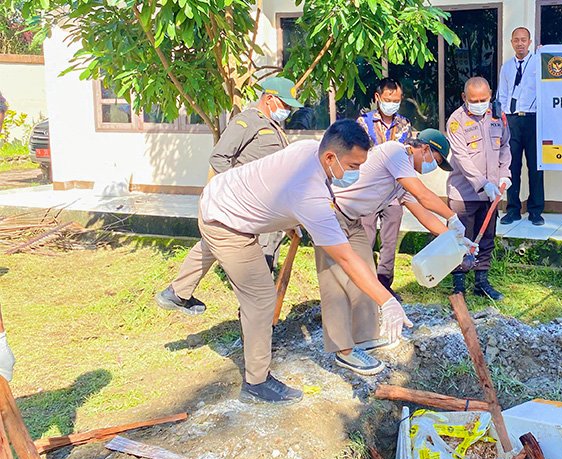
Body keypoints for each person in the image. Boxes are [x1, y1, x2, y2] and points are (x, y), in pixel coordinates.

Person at [181, 119, 412, 404]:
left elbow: (276, 184)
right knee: (261, 299)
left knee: (211, 241)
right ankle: (256, 382)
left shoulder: (308, 149)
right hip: (227, 222)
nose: (357, 173)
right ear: (331, 157)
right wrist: (386, 300)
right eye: (353, 166)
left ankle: (177, 291)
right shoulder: (311, 198)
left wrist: (290, 219)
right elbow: (346, 258)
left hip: (222, 195)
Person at [322, 130, 471, 375]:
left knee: (366, 275)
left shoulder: (402, 179)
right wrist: (453, 216)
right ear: (424, 148)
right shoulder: (395, 152)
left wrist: (457, 240)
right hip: (331, 214)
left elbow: (423, 213)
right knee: (336, 283)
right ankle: (344, 351)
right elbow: (424, 196)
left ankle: (363, 337)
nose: (433, 167)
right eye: (435, 160)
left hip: (353, 220)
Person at [155, 77, 301, 315]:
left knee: (214, 243)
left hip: (262, 203)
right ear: (269, 99)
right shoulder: (246, 121)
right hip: (250, 205)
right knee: (260, 259)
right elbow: (219, 157)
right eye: (285, 105)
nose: (288, 110)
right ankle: (255, 318)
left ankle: (177, 292)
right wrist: (239, 191)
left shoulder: (273, 126)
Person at [446, 77, 511, 300]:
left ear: (490, 95)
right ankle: (458, 285)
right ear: (464, 97)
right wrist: (484, 184)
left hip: (492, 193)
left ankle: (481, 282)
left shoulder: (498, 116)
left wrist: (505, 174)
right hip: (464, 193)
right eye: (474, 100)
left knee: (487, 238)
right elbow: (462, 158)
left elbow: (505, 146)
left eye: (484, 99)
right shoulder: (456, 121)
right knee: (461, 238)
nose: (479, 104)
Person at [356, 78, 413, 300]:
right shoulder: (363, 122)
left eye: (397, 100)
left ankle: (384, 284)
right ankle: (364, 282)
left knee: (390, 241)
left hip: (393, 192)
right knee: (366, 237)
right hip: (369, 190)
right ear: (378, 97)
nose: (392, 104)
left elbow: (405, 155)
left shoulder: (404, 124)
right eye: (388, 99)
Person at [497, 27, 544, 226]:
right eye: (516, 40)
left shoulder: (539, 63)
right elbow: (502, 94)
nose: (520, 43)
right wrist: (503, 120)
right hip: (512, 121)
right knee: (512, 166)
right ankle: (513, 210)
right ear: (511, 42)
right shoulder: (506, 67)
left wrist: (546, 55)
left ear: (530, 42)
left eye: (523, 40)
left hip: (533, 119)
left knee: (535, 167)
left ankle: (535, 211)